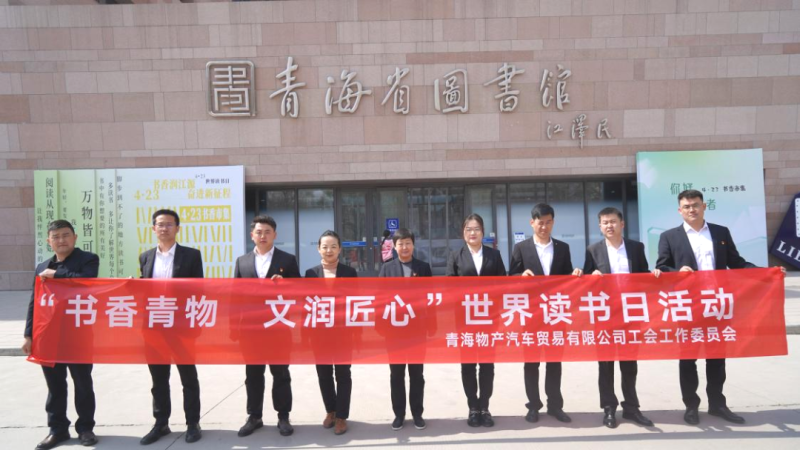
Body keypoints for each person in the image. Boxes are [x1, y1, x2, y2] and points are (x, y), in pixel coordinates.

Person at [656, 189, 783, 425]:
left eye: (695, 205)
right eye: (687, 206)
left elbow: (736, 262)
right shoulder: (669, 237)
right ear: (679, 210)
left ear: (704, 206)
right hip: (688, 306)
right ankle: (691, 406)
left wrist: (767, 273)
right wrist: (677, 272)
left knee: (717, 357)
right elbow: (662, 267)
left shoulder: (720, 232)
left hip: (717, 304)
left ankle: (717, 404)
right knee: (688, 358)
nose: (692, 209)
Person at [23, 220, 99, 450]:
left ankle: (85, 428)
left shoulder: (88, 259)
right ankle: (57, 430)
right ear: (49, 241)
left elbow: (86, 280)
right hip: (48, 336)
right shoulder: (42, 267)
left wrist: (55, 275)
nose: (61, 240)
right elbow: (34, 302)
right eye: (55, 236)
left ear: (75, 237)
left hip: (78, 335)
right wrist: (28, 335)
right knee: (55, 386)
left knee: (82, 383)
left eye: (66, 235)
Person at [583, 207, 658, 428]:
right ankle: (609, 408)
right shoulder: (593, 250)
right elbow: (585, 280)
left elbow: (643, 275)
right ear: (600, 226)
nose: (610, 226)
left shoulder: (636, 248)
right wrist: (591, 275)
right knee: (606, 365)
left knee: (629, 364)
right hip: (605, 315)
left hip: (630, 315)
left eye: (613, 222)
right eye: (605, 222)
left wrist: (654, 275)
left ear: (622, 224)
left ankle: (631, 408)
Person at [509, 203, 581, 425]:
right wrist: (520, 276)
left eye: (548, 222)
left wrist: (575, 273)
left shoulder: (562, 248)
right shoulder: (521, 248)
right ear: (532, 223)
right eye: (540, 223)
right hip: (531, 314)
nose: (544, 227)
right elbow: (510, 276)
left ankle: (555, 406)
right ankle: (533, 406)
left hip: (556, 313)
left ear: (553, 222)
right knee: (531, 362)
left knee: (554, 362)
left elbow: (567, 275)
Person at [139, 209, 204, 445]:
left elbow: (198, 290)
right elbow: (145, 289)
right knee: (158, 379)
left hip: (181, 327)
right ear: (153, 229)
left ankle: (193, 423)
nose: (164, 228)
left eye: (169, 224)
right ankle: (161, 423)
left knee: (188, 377)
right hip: (154, 326)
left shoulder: (191, 255)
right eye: (160, 224)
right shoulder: (146, 257)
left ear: (177, 228)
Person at [233, 215, 300, 438]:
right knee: (253, 374)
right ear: (252, 235)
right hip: (250, 329)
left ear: (275, 235)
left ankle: (283, 416)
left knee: (280, 373)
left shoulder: (287, 260)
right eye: (259, 232)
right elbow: (235, 296)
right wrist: (234, 327)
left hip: (278, 326)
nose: (263, 236)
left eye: (267, 232)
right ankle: (254, 416)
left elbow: (300, 290)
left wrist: (285, 284)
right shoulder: (242, 261)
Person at [446, 213, 507, 428]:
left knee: (487, 365)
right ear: (463, 233)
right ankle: (473, 407)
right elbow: (450, 288)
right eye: (468, 229)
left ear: (483, 232)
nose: (473, 233)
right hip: (465, 319)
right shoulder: (456, 256)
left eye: (477, 229)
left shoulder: (494, 255)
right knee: (468, 365)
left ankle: (485, 407)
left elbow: (503, 285)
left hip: (489, 319)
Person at [378, 228, 432, 431]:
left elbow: (430, 298)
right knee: (396, 375)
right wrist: (381, 327)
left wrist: (432, 326)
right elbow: (380, 300)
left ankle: (417, 413)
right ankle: (399, 414)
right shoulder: (387, 269)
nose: (405, 247)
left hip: (417, 331)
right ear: (394, 246)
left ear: (413, 245)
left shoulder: (423, 268)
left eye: (408, 243)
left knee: (417, 374)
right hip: (394, 332)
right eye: (400, 243)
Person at [305, 230, 357, 436]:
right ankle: (331, 411)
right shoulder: (310, 274)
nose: (329, 250)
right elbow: (306, 306)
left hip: (343, 333)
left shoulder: (349, 273)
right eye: (325, 246)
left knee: (343, 374)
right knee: (324, 374)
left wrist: (357, 333)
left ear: (340, 249)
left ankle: (342, 416)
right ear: (319, 249)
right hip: (319, 334)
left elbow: (355, 304)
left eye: (333, 246)